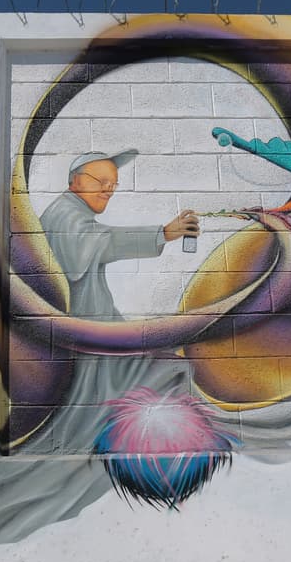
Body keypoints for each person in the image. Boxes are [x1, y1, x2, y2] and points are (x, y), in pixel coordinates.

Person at [29, 149, 200, 452]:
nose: (109, 189)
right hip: (92, 345)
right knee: (169, 373)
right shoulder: (65, 216)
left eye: (114, 183)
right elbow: (101, 242)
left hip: (101, 337)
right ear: (75, 182)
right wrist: (162, 234)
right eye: (101, 181)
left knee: (166, 372)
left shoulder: (73, 214)